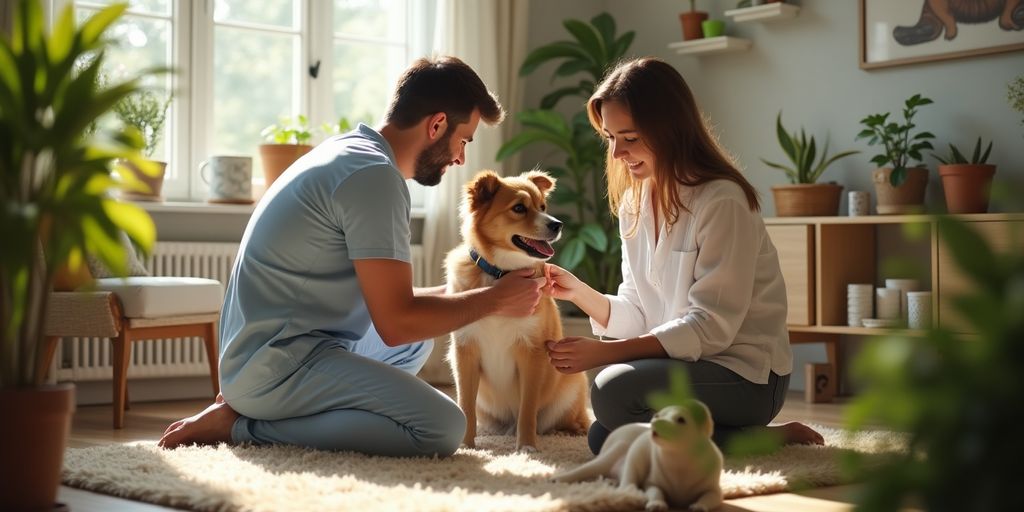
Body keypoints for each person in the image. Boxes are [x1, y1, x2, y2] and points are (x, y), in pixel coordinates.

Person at [158, 56, 546, 457]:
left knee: (414, 346)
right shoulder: (374, 178)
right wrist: (495, 300)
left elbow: (394, 308)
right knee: (443, 428)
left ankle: (295, 412)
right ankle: (246, 426)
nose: (461, 158)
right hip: (278, 365)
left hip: (275, 351)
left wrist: (479, 287)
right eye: (463, 140)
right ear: (436, 125)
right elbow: (396, 322)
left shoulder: (351, 152)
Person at [542, 57, 824, 454]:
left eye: (631, 137)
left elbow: (711, 326)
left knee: (610, 393)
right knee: (604, 436)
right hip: (687, 366)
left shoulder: (722, 201)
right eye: (610, 138)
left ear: (669, 130)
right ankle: (755, 440)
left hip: (745, 377)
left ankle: (755, 429)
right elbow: (640, 310)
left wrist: (605, 354)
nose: (618, 152)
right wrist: (579, 293)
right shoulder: (634, 205)